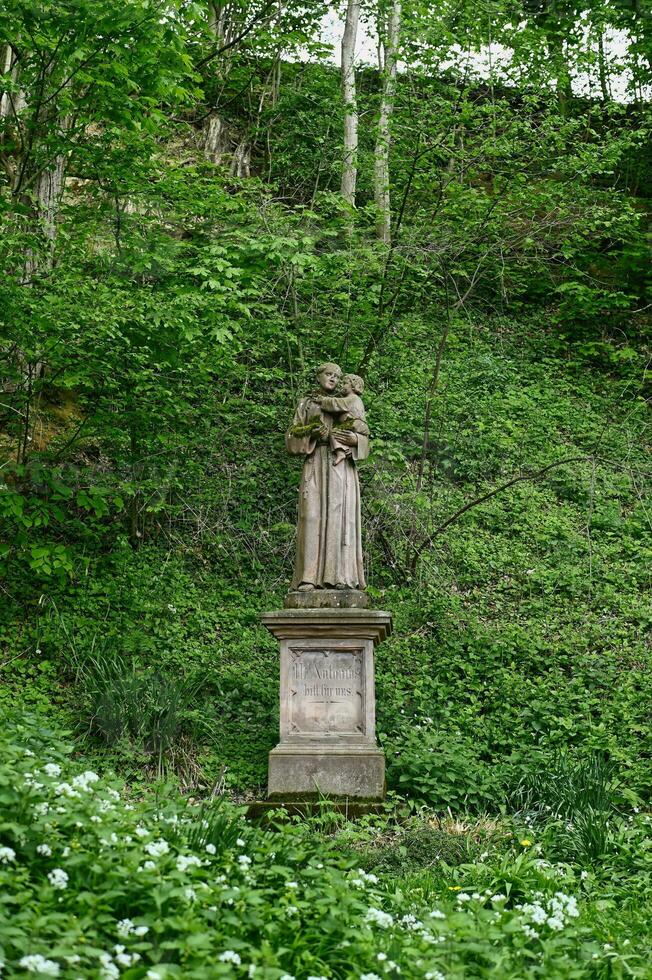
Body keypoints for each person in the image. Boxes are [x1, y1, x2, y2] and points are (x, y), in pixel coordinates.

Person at [286, 363, 369, 591]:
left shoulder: (348, 402)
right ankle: (308, 578)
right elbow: (291, 438)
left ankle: (341, 576)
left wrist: (353, 441)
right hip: (314, 462)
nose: (333, 379)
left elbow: (363, 436)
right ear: (319, 376)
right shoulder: (307, 403)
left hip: (340, 466)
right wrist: (312, 432)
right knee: (311, 517)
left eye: (337, 376)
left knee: (339, 518)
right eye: (329, 374)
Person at [316, 373, 366, 466]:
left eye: (345, 383)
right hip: (318, 457)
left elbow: (336, 404)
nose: (341, 386)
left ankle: (342, 452)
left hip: (354, 424)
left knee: (335, 432)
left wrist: (322, 400)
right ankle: (342, 452)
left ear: (353, 387)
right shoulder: (352, 399)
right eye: (328, 374)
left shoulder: (352, 398)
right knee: (337, 432)